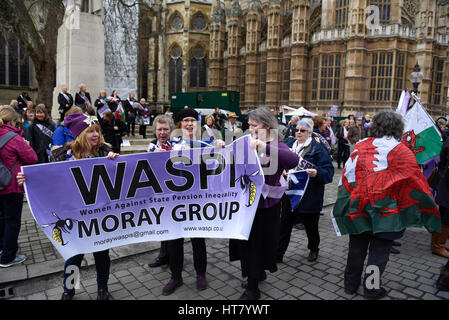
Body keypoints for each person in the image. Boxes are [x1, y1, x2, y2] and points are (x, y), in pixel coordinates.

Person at [333, 109, 441, 300]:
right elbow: (416, 182)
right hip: (387, 213)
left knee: (356, 248)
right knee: (379, 251)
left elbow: (346, 176)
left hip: (359, 207)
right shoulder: (402, 151)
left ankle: (350, 285)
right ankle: (371, 288)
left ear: (375, 126)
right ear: (398, 128)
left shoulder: (360, 145)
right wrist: (428, 208)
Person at [18, 113, 120, 300]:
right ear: (80, 134)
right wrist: (28, 179)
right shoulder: (63, 155)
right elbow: (47, 177)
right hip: (73, 216)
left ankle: (102, 290)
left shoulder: (106, 152)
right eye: (90, 131)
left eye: (97, 130)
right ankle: (69, 290)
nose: (95, 135)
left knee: (102, 254)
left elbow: (119, 179)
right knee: (74, 255)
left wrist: (116, 162)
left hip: (100, 214)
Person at [229, 106, 299, 300]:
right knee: (247, 245)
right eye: (249, 124)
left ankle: (253, 288)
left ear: (267, 126)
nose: (250, 128)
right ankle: (255, 274)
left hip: (266, 208)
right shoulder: (246, 143)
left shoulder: (277, 145)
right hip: (246, 205)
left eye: (254, 124)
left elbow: (293, 160)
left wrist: (263, 146)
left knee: (258, 246)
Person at [277, 120, 334, 263]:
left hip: (310, 195)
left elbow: (328, 172)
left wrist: (316, 173)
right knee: (284, 225)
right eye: (297, 130)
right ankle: (278, 254)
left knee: (311, 227)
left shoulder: (318, 149)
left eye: (302, 130)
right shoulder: (289, 145)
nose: (298, 133)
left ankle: (314, 248)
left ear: (309, 133)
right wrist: (281, 170)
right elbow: (280, 163)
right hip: (290, 194)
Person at [0, 106, 37, 268]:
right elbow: (32, 158)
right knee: (12, 220)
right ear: (12, 121)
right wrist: (26, 144)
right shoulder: (14, 138)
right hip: (12, 184)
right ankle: (8, 256)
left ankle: (2, 248)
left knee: (1, 217)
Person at [147, 115, 176, 268]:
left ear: (171, 130)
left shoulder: (178, 145)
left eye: (165, 129)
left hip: (176, 195)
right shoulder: (151, 147)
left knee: (174, 227)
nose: (162, 132)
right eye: (159, 129)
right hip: (159, 194)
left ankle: (175, 258)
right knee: (163, 225)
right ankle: (163, 255)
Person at [433, 137, 449, 257]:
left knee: (444, 215)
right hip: (447, 183)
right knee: (445, 215)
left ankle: (440, 244)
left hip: (445, 181)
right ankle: (437, 245)